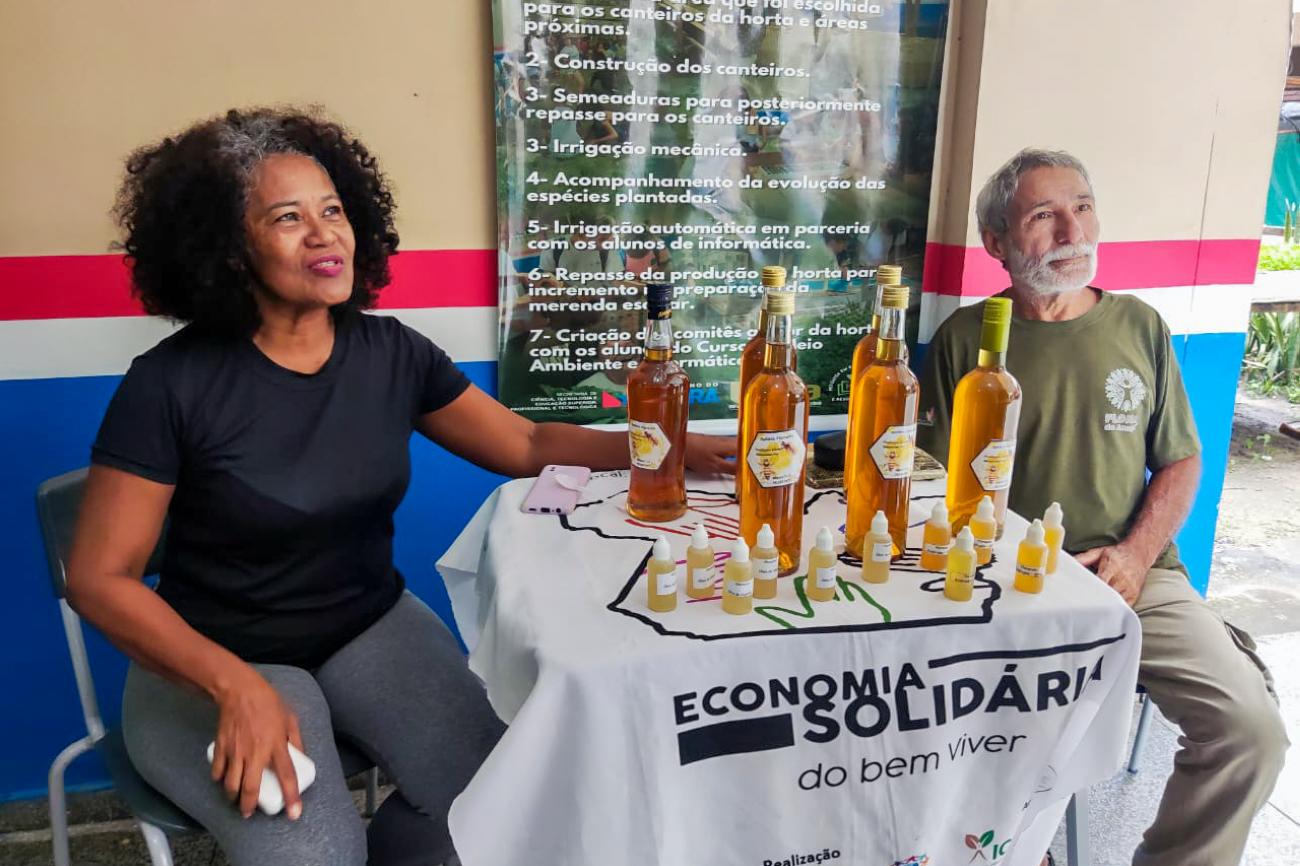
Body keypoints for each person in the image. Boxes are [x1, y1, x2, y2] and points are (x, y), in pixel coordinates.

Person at [66, 107, 734, 866]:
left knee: (509, 807)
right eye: (287, 218)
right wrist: (234, 687)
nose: (324, 235)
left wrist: (664, 449)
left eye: (332, 211)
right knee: (314, 854)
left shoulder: (392, 353)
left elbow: (524, 443)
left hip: (366, 625)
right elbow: (99, 579)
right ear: (228, 246)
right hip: (216, 656)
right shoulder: (170, 385)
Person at [917, 148, 1288, 866]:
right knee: (930, 717)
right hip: (1004, 585)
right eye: (1043, 215)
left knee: (1249, 731)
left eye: (1082, 207)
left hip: (1133, 576)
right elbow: (936, 484)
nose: (1072, 231)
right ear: (996, 241)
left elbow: (1181, 460)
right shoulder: (967, 338)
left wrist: (1135, 556)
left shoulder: (1138, 326)